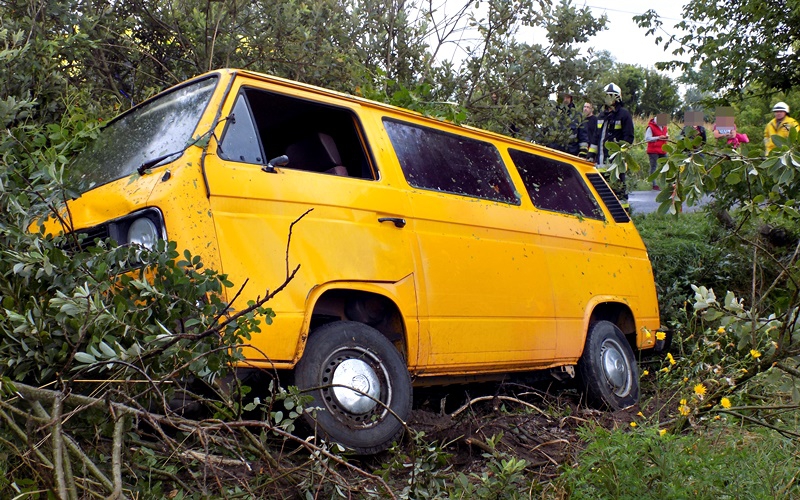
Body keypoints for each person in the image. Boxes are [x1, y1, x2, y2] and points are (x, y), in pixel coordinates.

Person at [592, 83, 634, 198]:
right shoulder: (601, 116)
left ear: (617, 98)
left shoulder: (624, 115)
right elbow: (595, 138)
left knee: (618, 191)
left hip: (616, 163)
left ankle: (623, 214)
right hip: (600, 163)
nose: (608, 98)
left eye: (611, 95)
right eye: (607, 95)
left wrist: (621, 154)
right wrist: (591, 155)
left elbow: (628, 137)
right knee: (601, 194)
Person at [645, 115, 669, 190]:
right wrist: (658, 137)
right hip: (653, 150)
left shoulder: (664, 127)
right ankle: (653, 184)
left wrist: (666, 137)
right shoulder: (650, 127)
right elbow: (647, 138)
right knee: (654, 167)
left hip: (662, 149)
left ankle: (670, 183)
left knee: (667, 164)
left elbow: (666, 134)